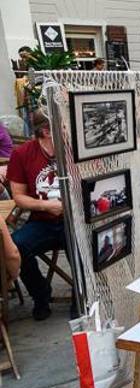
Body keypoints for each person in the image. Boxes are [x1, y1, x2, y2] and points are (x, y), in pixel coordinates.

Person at [7, 111, 66, 321]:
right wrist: (45, 205)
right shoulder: (22, 153)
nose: (67, 128)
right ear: (47, 131)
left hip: (72, 222)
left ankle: (82, 296)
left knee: (85, 245)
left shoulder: (72, 148)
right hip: (42, 221)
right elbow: (18, 197)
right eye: (63, 124)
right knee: (16, 245)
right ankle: (41, 295)